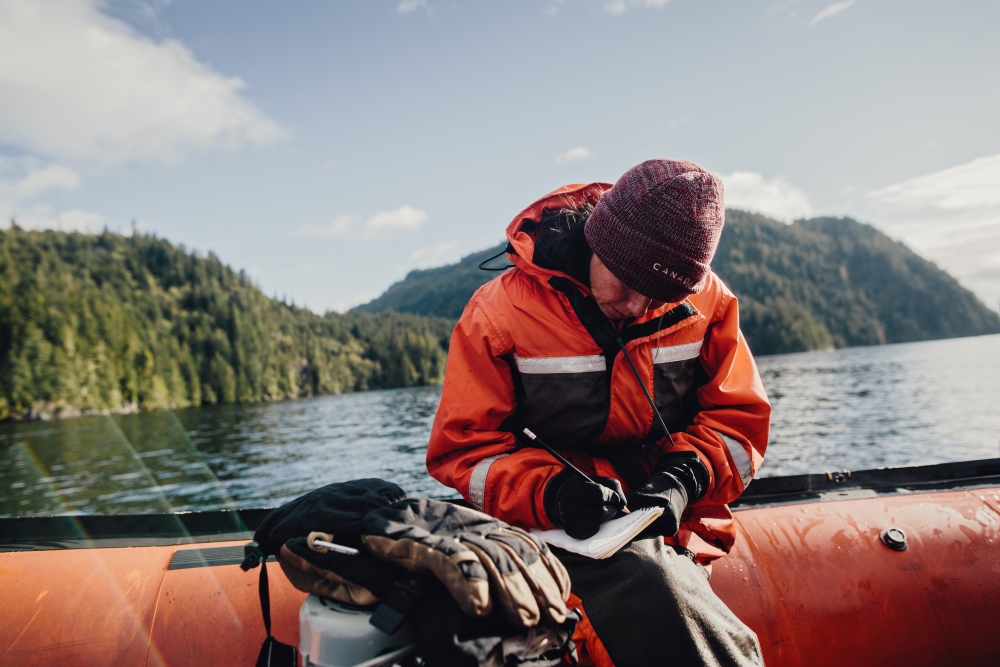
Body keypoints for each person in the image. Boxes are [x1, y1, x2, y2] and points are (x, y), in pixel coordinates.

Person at [426, 159, 770, 666]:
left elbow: (738, 424)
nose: (636, 307)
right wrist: (553, 494)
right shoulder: (496, 316)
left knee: (657, 583)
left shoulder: (712, 303)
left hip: (673, 518)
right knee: (650, 584)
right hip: (547, 523)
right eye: (627, 283)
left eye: (659, 297)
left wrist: (685, 478)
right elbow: (467, 451)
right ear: (597, 243)